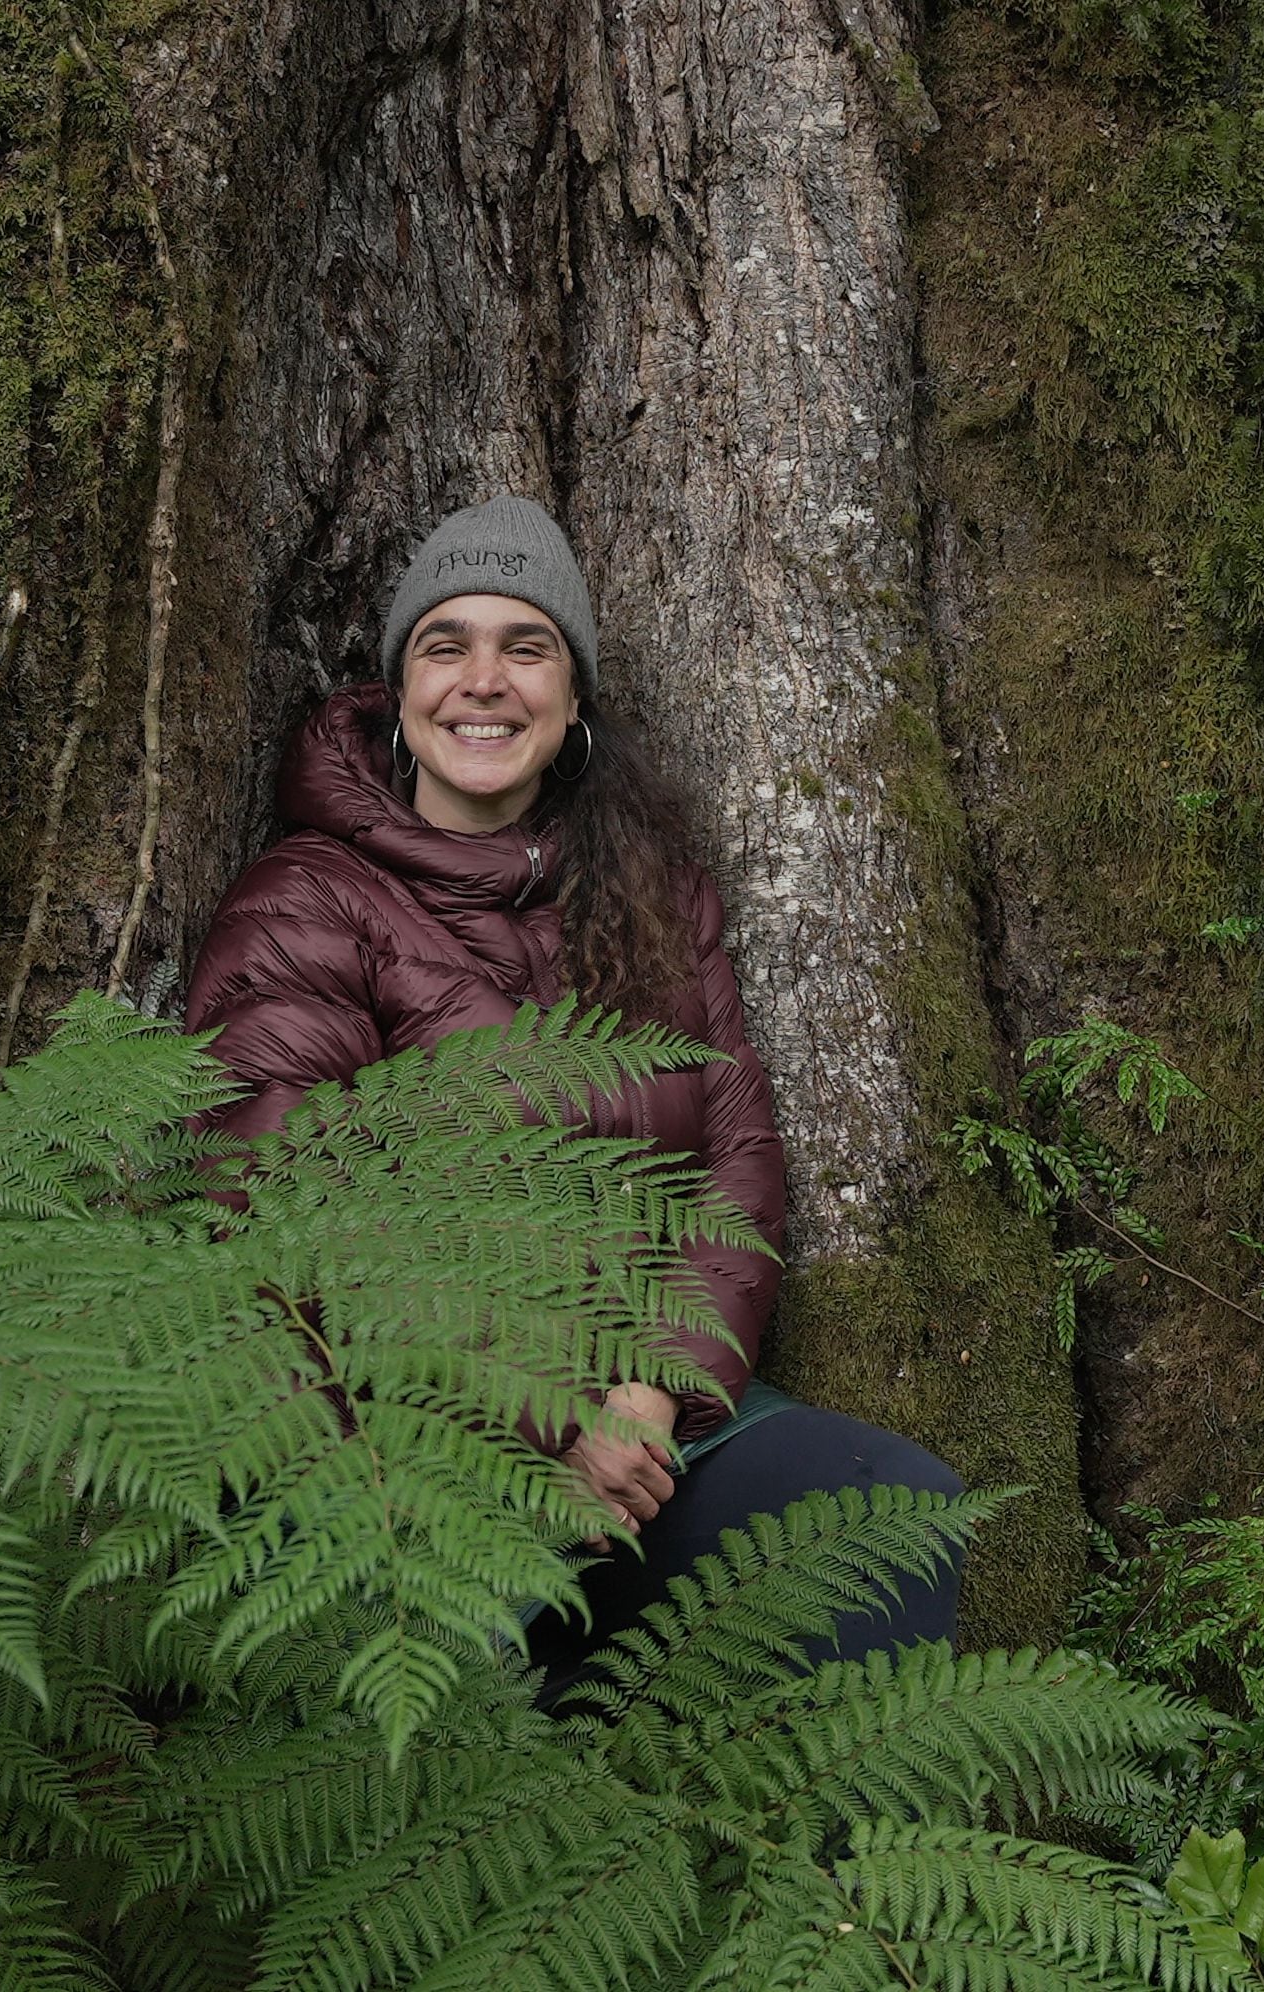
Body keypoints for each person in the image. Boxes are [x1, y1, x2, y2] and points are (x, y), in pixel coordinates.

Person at [185, 494, 961, 1681]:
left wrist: (651, 1394)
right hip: (403, 1443)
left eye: (526, 646)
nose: (484, 681)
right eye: (446, 646)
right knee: (457, 1703)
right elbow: (284, 1230)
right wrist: (552, 1423)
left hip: (644, 1425)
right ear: (399, 692)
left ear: (574, 694)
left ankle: (826, 1863)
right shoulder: (306, 903)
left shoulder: (650, 890)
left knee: (888, 1511)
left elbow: (737, 1170)